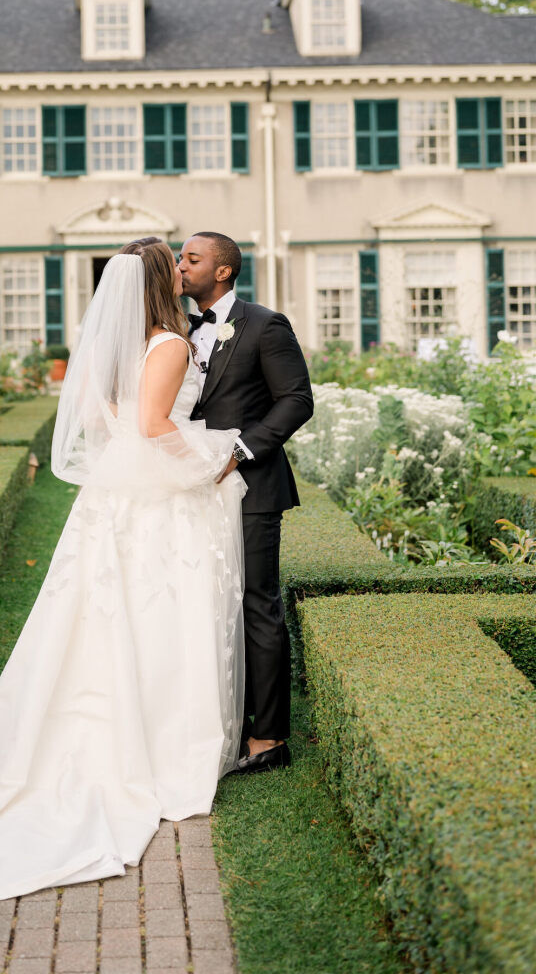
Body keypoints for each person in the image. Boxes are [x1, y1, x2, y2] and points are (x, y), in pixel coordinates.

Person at [0, 237, 247, 902]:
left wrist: (140, 437)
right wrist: (209, 463)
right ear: (159, 281)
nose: (183, 270)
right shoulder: (169, 344)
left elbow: (99, 415)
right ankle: (167, 748)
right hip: (156, 501)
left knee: (94, 621)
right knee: (159, 618)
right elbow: (154, 425)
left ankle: (95, 738)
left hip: (110, 498)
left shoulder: (112, 345)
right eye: (174, 265)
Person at [178, 232, 314, 775]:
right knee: (207, 603)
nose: (180, 266)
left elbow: (297, 400)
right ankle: (220, 719)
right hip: (193, 489)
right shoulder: (178, 330)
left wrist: (241, 449)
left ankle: (269, 738)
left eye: (191, 258)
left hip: (253, 487)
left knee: (256, 604)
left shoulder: (265, 324)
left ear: (223, 272)